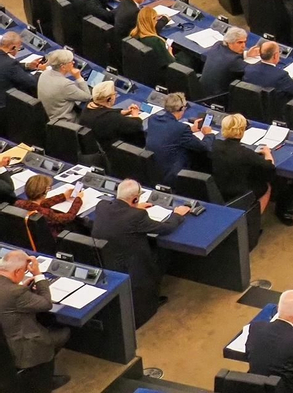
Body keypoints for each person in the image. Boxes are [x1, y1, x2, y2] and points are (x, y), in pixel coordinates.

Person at [93, 178, 191, 324]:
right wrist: (177, 214)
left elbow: (121, 216)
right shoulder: (137, 216)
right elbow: (166, 228)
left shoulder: (102, 206)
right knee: (164, 251)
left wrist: (133, 208)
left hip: (106, 258)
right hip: (132, 264)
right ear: (135, 199)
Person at [0, 248, 70, 386]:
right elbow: (46, 303)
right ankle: (44, 378)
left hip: (5, 342)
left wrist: (22, 288)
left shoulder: (14, 290)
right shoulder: (16, 292)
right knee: (63, 332)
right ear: (17, 272)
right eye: (25, 271)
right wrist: (38, 275)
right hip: (22, 348)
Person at [212, 113, 279, 215]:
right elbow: (270, 167)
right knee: (267, 187)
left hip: (218, 188)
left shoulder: (214, 145)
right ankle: (254, 221)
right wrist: (267, 153)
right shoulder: (246, 153)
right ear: (242, 131)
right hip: (240, 192)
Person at [145, 92, 212, 182]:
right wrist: (208, 134)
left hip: (153, 171)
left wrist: (191, 130)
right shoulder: (181, 128)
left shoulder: (153, 120)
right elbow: (204, 147)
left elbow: (168, 133)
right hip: (171, 175)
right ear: (182, 108)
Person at [80, 80, 145, 149]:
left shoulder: (89, 105)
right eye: (115, 93)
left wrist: (122, 112)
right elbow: (136, 126)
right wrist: (135, 114)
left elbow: (102, 111)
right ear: (109, 99)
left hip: (93, 144)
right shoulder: (110, 118)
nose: (116, 95)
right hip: (108, 151)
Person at [37, 50, 90, 126]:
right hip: (65, 124)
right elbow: (87, 97)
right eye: (71, 62)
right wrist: (78, 77)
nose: (73, 63)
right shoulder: (65, 84)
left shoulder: (44, 73)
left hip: (49, 118)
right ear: (63, 67)